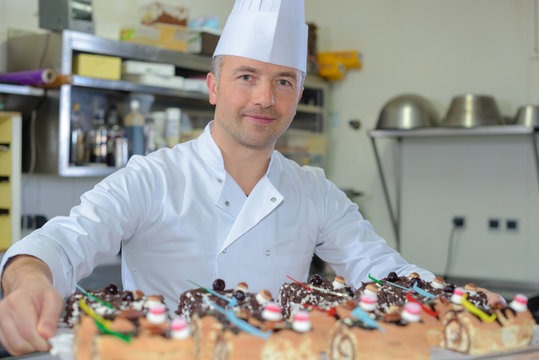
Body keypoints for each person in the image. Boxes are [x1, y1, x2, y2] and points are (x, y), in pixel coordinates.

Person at [0, 0, 502, 356]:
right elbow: (63, 244)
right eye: (247, 77)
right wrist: (26, 284)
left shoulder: (314, 193)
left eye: (283, 81)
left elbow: (378, 267)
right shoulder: (153, 178)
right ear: (213, 86)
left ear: (298, 94)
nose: (265, 98)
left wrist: (459, 300)